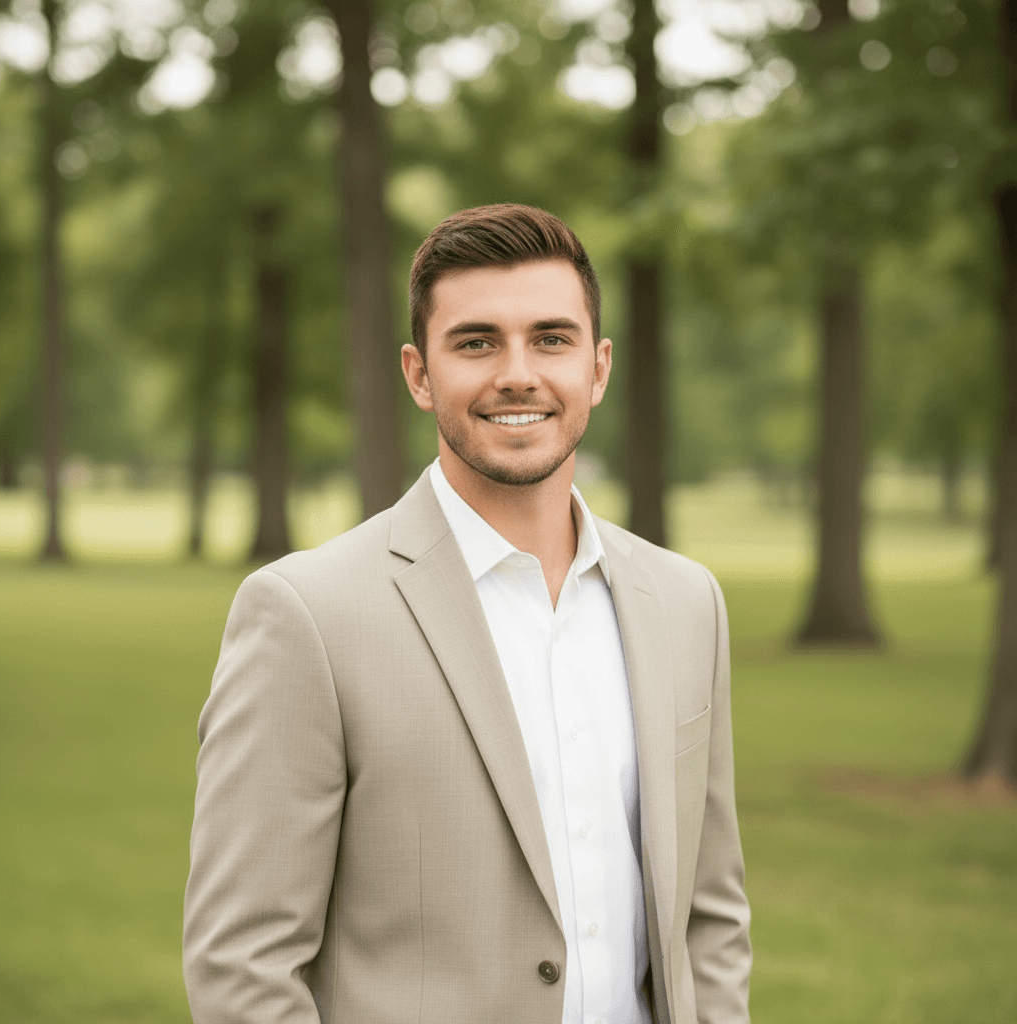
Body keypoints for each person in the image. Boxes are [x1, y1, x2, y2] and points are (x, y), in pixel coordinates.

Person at [183, 203, 751, 1024]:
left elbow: (710, 916)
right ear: (419, 374)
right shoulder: (307, 616)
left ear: (598, 368)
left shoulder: (687, 603)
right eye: (477, 342)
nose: (517, 374)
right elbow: (241, 964)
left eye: (550, 339)